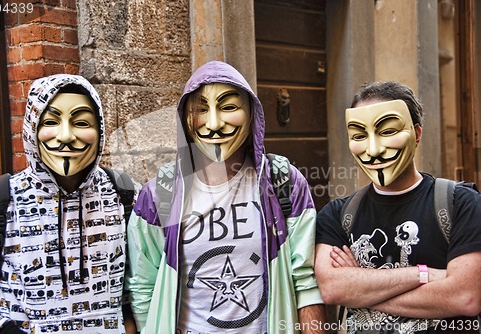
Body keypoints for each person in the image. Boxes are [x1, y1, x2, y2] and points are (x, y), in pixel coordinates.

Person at [126, 60, 326, 333]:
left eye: (229, 107)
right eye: (200, 109)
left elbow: (305, 281)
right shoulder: (159, 194)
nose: (215, 123)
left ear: (251, 113)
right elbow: (143, 285)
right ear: (185, 118)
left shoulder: (285, 183)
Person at [315, 81, 481, 333]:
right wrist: (424, 275)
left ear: (417, 133)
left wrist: (363, 293)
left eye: (388, 131)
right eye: (359, 136)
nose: (374, 149)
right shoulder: (337, 215)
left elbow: (465, 297)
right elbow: (333, 289)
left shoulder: (461, 204)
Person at [0, 74, 139, 333]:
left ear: (99, 128)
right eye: (52, 121)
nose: (66, 136)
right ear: (33, 127)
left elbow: (140, 286)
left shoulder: (125, 195)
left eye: (81, 122)